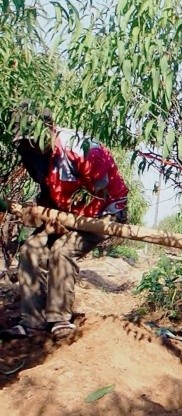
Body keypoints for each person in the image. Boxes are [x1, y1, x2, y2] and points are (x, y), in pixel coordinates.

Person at [0, 102, 128, 339]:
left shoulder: (84, 149)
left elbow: (100, 195)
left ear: (50, 128)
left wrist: (68, 222)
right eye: (26, 141)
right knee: (31, 249)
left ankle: (60, 319)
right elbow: (48, 190)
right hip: (63, 213)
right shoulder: (31, 153)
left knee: (62, 250)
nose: (31, 146)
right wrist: (44, 215)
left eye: (34, 139)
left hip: (103, 212)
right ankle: (32, 321)